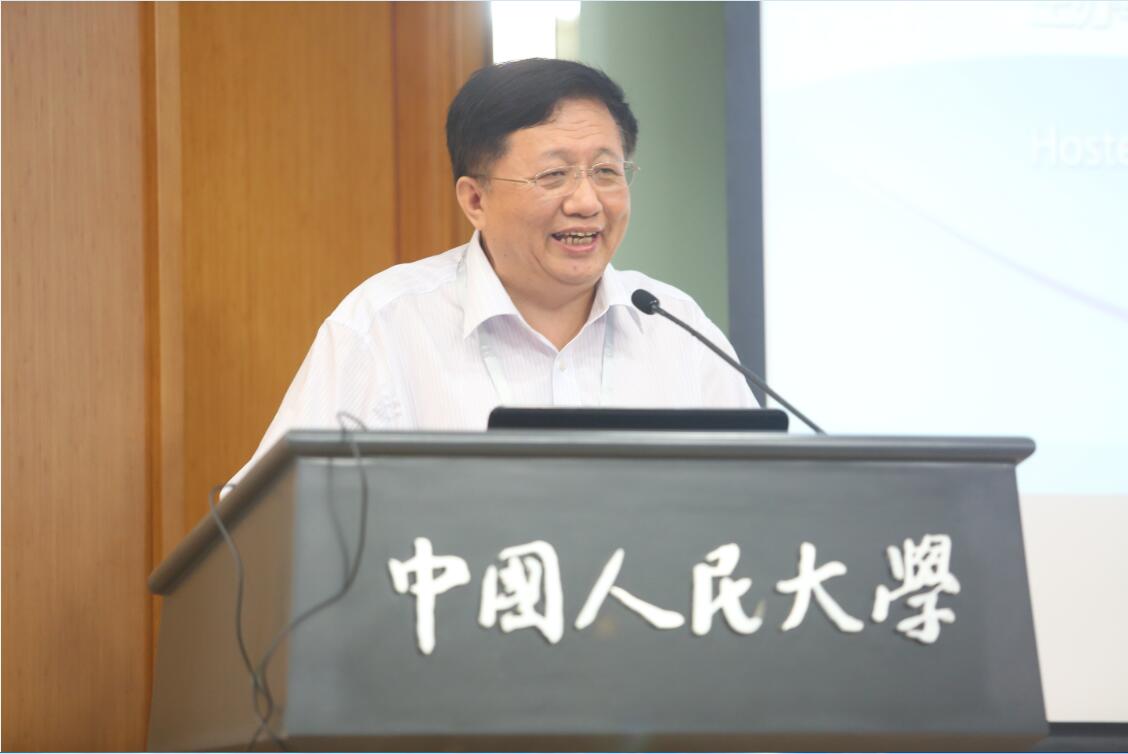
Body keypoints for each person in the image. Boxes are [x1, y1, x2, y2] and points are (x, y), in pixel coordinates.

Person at [230, 58, 756, 483]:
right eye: (553, 175)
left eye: (605, 171)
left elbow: (761, 498)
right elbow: (265, 525)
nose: (586, 202)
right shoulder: (386, 325)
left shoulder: (675, 328)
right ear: (475, 199)